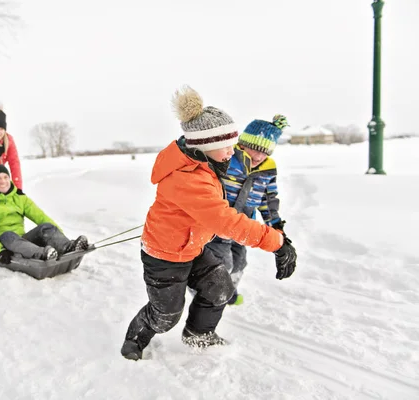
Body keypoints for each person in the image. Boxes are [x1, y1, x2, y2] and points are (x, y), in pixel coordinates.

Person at [120, 86, 297, 361]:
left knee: (221, 288)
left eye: (232, 144)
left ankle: (199, 333)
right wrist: (276, 242)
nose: (232, 151)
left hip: (193, 246)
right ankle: (136, 336)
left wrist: (275, 225)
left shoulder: (205, 164)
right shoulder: (189, 177)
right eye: (225, 146)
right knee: (166, 316)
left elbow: (250, 202)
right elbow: (225, 220)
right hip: (165, 255)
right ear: (204, 144)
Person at [206, 115, 291, 306]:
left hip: (243, 225)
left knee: (239, 262)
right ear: (243, 144)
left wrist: (276, 226)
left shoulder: (267, 168)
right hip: (218, 223)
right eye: (256, 149)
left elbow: (268, 200)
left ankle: (229, 290)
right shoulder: (226, 159)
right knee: (223, 262)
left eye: (265, 152)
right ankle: (206, 292)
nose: (259, 157)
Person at [0, 164, 89, 263]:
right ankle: (43, 254)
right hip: (2, 243)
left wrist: (61, 236)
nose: (3, 181)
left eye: (5, 177)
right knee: (8, 234)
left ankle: (69, 247)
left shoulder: (20, 198)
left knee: (45, 226)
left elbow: (40, 216)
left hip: (21, 242)